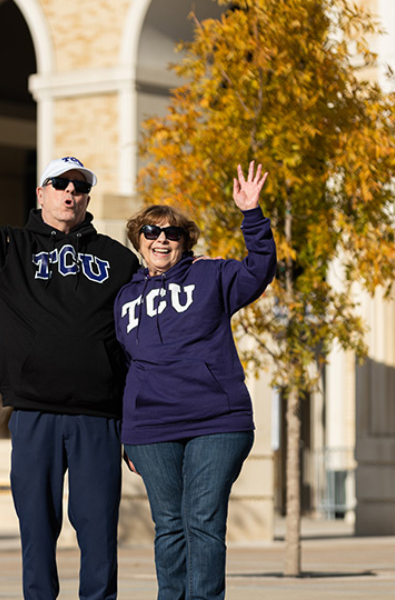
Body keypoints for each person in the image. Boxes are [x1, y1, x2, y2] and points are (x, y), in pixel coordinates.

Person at [0, 125, 139, 600]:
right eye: (61, 184)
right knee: (36, 527)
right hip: (35, 413)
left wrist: (137, 423)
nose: (71, 193)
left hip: (98, 417)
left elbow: (136, 342)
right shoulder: (10, 249)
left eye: (80, 187)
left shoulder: (117, 260)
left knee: (98, 530)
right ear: (41, 193)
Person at [114, 161, 277, 600]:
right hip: (151, 429)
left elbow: (260, 269)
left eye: (172, 233)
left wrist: (251, 214)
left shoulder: (212, 275)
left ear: (185, 242)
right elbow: (125, 367)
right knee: (169, 525)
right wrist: (126, 434)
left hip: (216, 420)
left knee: (202, 520)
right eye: (151, 231)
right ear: (138, 241)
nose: (161, 239)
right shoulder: (124, 298)